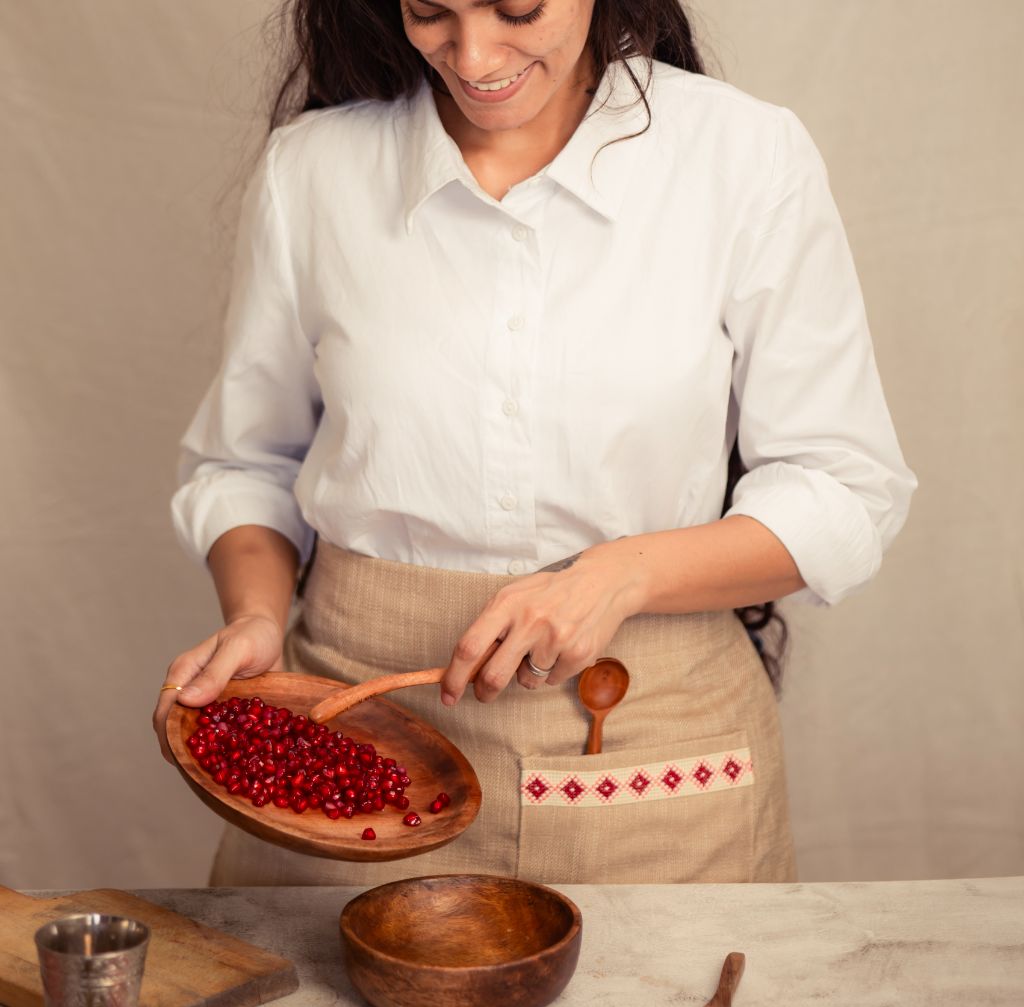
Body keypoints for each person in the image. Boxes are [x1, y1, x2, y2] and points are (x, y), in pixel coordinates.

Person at [154, 0, 916, 886]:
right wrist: (254, 617)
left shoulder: (744, 156)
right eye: (430, 12)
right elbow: (248, 462)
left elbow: (842, 490)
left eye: (519, 9)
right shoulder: (314, 170)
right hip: (359, 734)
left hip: (651, 750)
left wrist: (618, 576)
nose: (473, 56)